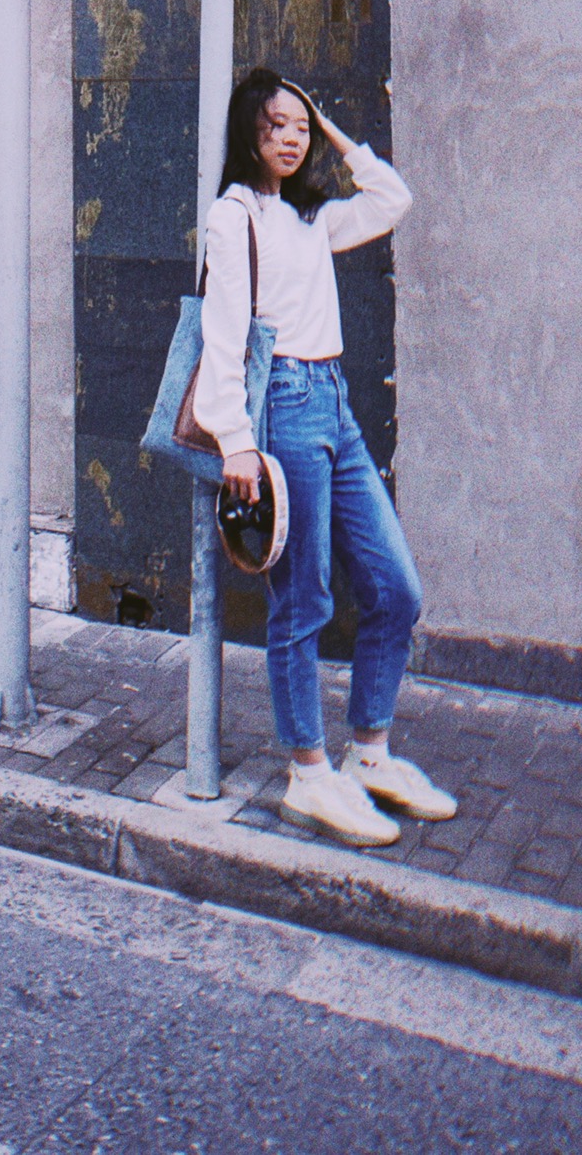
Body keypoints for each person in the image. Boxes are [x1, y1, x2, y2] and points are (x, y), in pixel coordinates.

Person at [192, 66, 457, 849]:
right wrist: (236, 441)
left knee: (395, 589)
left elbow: (392, 199)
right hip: (283, 404)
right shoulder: (234, 217)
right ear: (249, 133)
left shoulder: (312, 217)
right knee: (302, 598)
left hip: (334, 401)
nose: (290, 137)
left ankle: (368, 753)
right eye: (275, 124)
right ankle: (308, 773)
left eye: (299, 126)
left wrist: (333, 131)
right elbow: (222, 334)